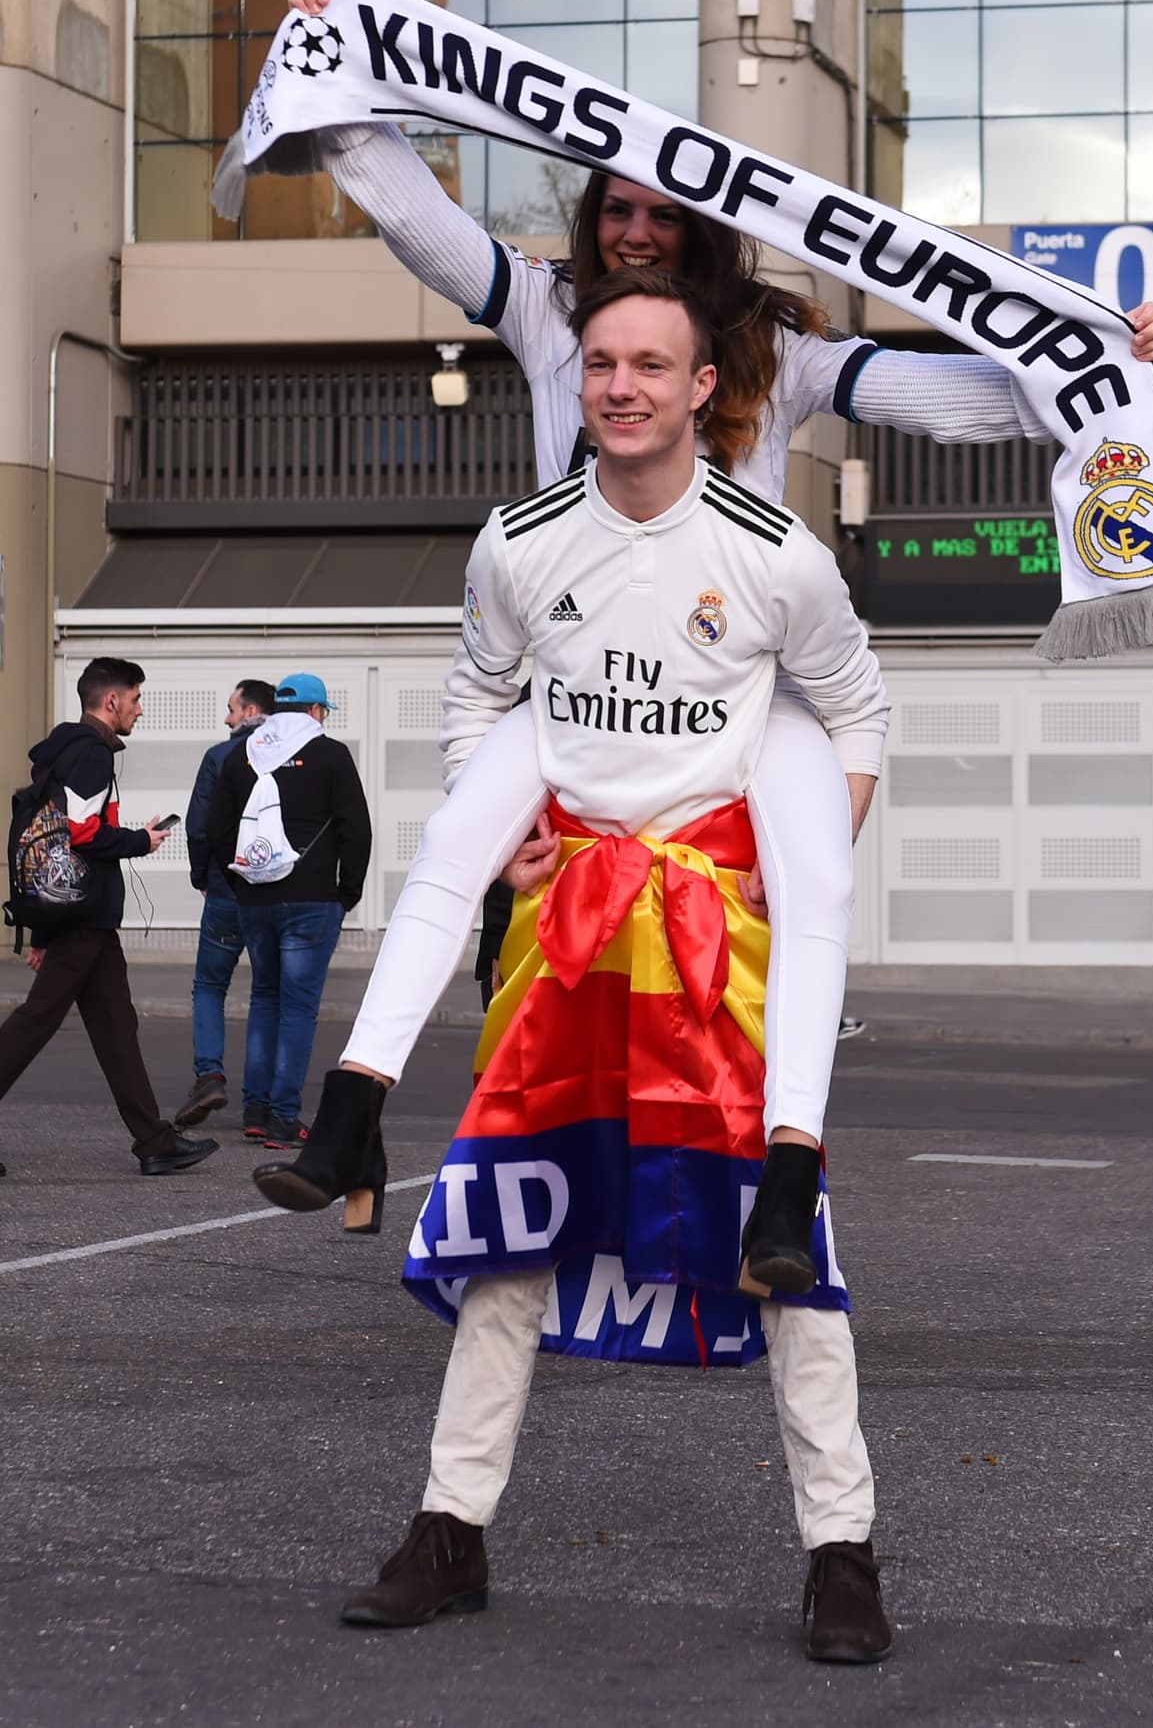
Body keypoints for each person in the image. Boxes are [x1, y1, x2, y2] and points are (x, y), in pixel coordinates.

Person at [258, 0, 1153, 1187]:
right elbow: (416, 219)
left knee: (717, 1056)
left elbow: (941, 403)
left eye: (663, 213)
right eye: (616, 210)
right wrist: (333, 57)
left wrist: (1084, 367)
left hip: (725, 729)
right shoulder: (546, 314)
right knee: (535, 1045)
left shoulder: (776, 349)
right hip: (582, 712)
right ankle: (400, 1152)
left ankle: (768, 1204)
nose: (635, 233)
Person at [269, 268, 897, 1659]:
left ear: (700, 389)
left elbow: (855, 712)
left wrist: (804, 846)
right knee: (512, 1223)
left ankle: (842, 1553)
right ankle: (449, 1527)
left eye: (650, 365)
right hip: (573, 933)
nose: (621, 386)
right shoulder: (520, 541)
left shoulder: (777, 554)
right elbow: (478, 693)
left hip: (711, 946)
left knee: (788, 1256)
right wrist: (504, 838)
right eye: (602, 362)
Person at [0, 658, 220, 1177]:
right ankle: (155, 1140)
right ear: (112, 700)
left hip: (86, 918)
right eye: (136, 699)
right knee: (36, 1020)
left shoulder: (68, 751)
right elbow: (80, 832)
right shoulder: (92, 754)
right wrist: (141, 841)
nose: (140, 710)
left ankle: (155, 1141)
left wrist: (43, 930)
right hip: (84, 916)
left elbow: (56, 836)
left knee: (116, 1025)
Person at [207, 673, 372, 1150]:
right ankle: (283, 1116)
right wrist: (347, 894)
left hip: (256, 898)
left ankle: (256, 1111)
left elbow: (217, 829)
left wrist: (241, 881)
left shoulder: (243, 754)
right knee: (298, 1007)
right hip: (313, 899)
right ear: (317, 711)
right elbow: (356, 829)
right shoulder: (331, 755)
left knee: (265, 998)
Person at [174, 677, 276, 1131]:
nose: (226, 717)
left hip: (224, 889)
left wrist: (203, 876)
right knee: (267, 994)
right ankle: (259, 1107)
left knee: (210, 986)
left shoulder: (219, 757)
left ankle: (209, 1076)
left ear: (251, 711)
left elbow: (199, 826)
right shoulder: (288, 755)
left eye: (231, 709)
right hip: (272, 892)